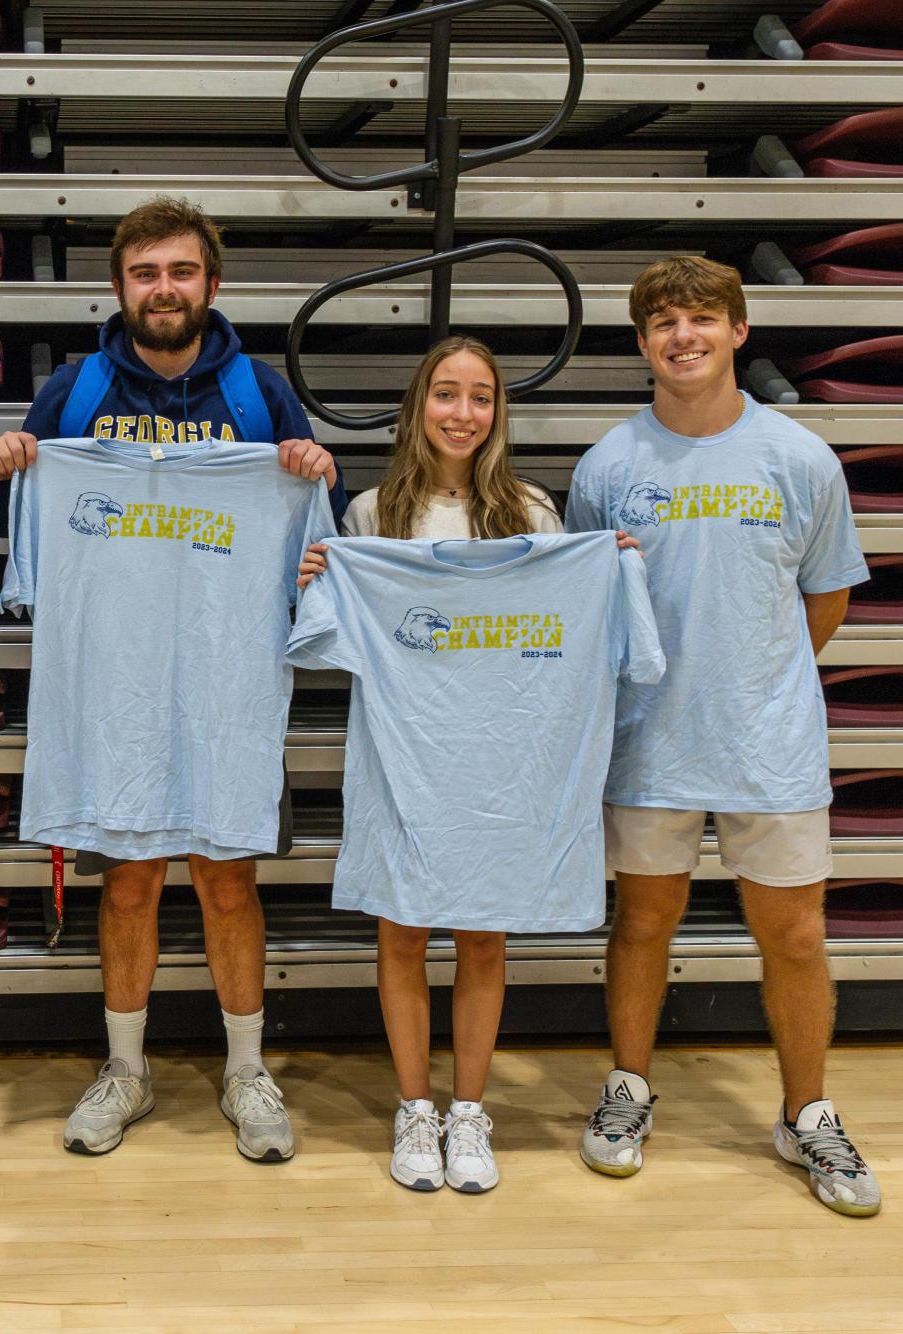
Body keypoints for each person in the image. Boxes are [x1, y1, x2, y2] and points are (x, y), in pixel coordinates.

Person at [0, 196, 340, 1160]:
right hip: (115, 688)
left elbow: (312, 554)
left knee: (228, 881)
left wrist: (309, 468)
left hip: (227, 684)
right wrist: (16, 459)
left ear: (211, 285)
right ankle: (127, 1070)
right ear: (119, 287)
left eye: (180, 272)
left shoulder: (261, 395)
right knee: (129, 882)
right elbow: (25, 528)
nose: (164, 289)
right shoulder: (72, 390)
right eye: (145, 273)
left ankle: (245, 1069)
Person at [565, 256, 880, 1217]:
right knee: (642, 924)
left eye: (701, 318)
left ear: (738, 332)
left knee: (792, 934)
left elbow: (822, 597)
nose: (681, 335)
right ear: (641, 342)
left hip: (767, 744)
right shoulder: (607, 467)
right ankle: (626, 1090)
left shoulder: (799, 458)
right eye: (661, 321)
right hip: (647, 742)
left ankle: (805, 1113)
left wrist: (755, 677)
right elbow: (589, 609)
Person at [300, 335, 632, 1194]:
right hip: (403, 754)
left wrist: (608, 572)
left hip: (503, 759)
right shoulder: (371, 516)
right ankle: (414, 1109)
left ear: (497, 412)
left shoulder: (532, 513)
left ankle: (468, 1111)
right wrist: (320, 578)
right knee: (402, 928)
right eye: (445, 394)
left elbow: (567, 629)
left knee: (484, 931)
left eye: (479, 396)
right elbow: (330, 642)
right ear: (417, 408)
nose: (462, 412)